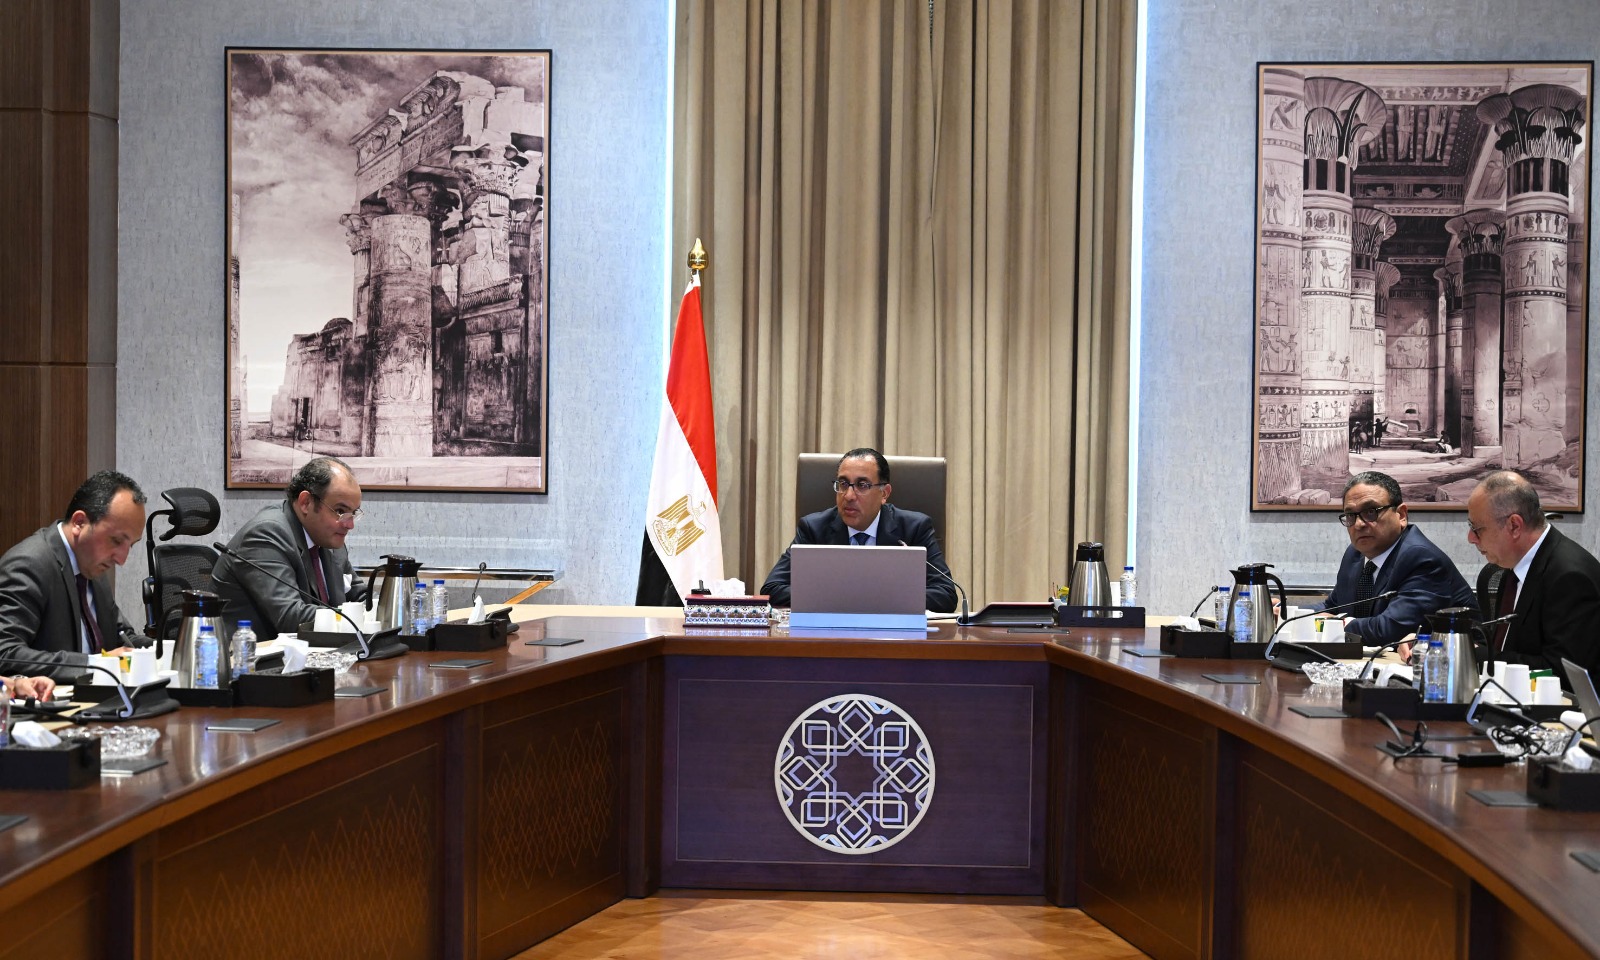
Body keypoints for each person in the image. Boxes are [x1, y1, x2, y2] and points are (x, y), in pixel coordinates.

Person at [761, 449, 957, 612]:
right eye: (843, 484)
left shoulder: (913, 529)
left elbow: (945, 594)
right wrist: (848, 596)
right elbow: (771, 589)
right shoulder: (814, 529)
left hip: (894, 638)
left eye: (862, 485)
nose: (849, 495)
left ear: (884, 493)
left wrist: (869, 597)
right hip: (830, 636)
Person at [0, 470, 147, 679]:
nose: (122, 559)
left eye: (130, 545)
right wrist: (95, 664)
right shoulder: (30, 564)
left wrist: (169, 649)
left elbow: (122, 637)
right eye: (116, 540)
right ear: (79, 522)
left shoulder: (92, 565)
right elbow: (5, 653)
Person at [211, 457, 365, 641]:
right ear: (306, 502)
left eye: (353, 513)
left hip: (315, 651)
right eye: (340, 511)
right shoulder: (266, 535)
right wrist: (353, 616)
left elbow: (360, 596)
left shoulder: (330, 539)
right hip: (251, 654)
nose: (349, 524)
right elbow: (291, 617)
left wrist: (385, 608)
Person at [1321, 471, 1475, 652]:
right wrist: (1294, 613)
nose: (1359, 524)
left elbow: (1389, 629)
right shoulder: (1355, 555)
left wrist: (1335, 624)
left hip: (1459, 662)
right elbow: (1332, 606)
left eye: (1370, 512)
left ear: (1401, 515)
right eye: (1350, 515)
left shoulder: (1421, 558)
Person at [1467, 470, 1600, 676]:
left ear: (1514, 526)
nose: (1471, 538)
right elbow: (1509, 647)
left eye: (1477, 528)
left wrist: (1480, 657)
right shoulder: (1511, 567)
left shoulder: (1570, 577)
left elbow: (1562, 672)